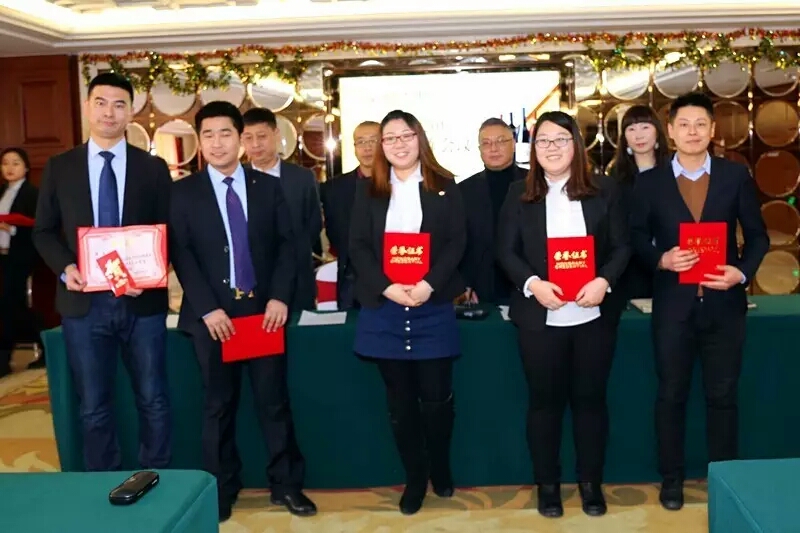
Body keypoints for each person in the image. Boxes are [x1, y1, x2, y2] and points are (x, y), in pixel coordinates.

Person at [169, 100, 316, 522]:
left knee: (273, 403)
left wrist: (280, 297)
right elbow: (182, 254)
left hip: (261, 314)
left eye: (226, 134)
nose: (217, 143)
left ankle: (286, 486)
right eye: (208, 135)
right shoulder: (183, 192)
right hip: (213, 319)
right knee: (218, 407)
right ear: (200, 142)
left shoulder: (267, 187)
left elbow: (289, 245)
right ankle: (220, 491)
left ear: (240, 138)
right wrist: (208, 309)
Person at [629, 92, 768, 511]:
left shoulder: (735, 176)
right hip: (673, 307)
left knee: (723, 396)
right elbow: (635, 237)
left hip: (725, 307)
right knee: (671, 394)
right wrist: (661, 259)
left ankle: (724, 478)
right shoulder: (649, 182)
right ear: (670, 131)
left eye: (701, 125)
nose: (693, 132)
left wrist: (740, 272)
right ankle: (671, 479)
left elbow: (758, 236)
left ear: (712, 130)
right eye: (684, 125)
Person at [32, 72, 172, 471]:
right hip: (84, 304)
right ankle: (102, 482)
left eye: (119, 104)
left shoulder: (153, 168)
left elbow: (169, 232)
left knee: (154, 398)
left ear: (131, 112)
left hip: (142, 304)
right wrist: (66, 268)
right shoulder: (61, 167)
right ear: (87, 107)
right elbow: (43, 231)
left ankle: (157, 476)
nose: (109, 112)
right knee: (93, 404)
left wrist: (150, 272)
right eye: (101, 102)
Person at [496, 111, 630, 518]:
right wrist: (533, 284)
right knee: (544, 405)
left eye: (560, 139)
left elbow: (622, 246)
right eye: (543, 141)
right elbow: (505, 251)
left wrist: (603, 281)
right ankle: (548, 486)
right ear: (533, 149)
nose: (551, 148)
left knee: (590, 403)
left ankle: (591, 484)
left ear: (576, 145)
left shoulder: (605, 190)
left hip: (592, 318)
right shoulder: (519, 193)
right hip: (540, 320)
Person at [349, 109, 466, 515]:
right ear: (382, 146)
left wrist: (428, 284)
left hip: (431, 303)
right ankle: (415, 477)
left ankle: (440, 466)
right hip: (386, 306)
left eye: (406, 136)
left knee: (437, 401)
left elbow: (456, 242)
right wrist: (387, 287)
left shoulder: (445, 187)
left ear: (420, 139)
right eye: (390, 138)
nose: (399, 144)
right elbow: (358, 246)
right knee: (400, 405)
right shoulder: (369, 191)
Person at [241, 108, 322, 310]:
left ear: (276, 134)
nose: (255, 144)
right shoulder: (236, 179)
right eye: (248, 138)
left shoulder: (302, 178)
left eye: (262, 136)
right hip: (251, 282)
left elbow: (312, 225)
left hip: (298, 280)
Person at [604, 105, 670, 325]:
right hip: (631, 268)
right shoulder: (615, 178)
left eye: (645, 127)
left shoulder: (675, 171)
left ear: (658, 131)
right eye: (631, 129)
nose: (638, 135)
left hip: (672, 263)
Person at [458, 118, 526, 304]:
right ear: (479, 149)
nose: (493, 149)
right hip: (482, 288)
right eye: (486, 143)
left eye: (500, 141)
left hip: (531, 285)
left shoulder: (535, 184)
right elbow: (458, 242)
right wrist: (464, 283)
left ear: (513, 144)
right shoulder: (463, 190)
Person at [320, 120, 380, 309]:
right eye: (360, 142)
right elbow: (334, 233)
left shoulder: (400, 184)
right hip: (351, 281)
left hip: (394, 280)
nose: (367, 148)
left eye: (373, 141)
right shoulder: (334, 188)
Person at [0, 147, 39, 377]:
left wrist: (12, 228)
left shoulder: (32, 194)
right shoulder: (2, 192)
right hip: (2, 255)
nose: (10, 168)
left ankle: (7, 356)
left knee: (13, 305)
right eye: (5, 163)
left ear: (26, 167)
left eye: (15, 163)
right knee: (8, 306)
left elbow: (39, 226)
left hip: (21, 256)